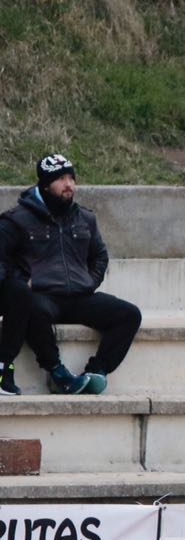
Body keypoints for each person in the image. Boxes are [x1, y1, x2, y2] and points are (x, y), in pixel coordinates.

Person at [0, 154, 142, 396]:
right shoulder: (16, 220)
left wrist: (89, 282)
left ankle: (97, 371)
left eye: (71, 178)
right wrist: (23, 281)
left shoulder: (85, 218)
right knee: (32, 308)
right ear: (45, 185)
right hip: (41, 296)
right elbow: (2, 261)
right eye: (61, 179)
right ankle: (57, 372)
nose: (69, 185)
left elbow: (99, 257)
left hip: (79, 295)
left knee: (129, 314)